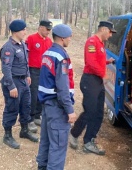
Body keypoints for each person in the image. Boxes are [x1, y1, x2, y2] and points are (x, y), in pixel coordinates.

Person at [69, 20, 116, 155]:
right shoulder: (92, 41)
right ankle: (74, 133)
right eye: (110, 32)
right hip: (90, 80)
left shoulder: (101, 43)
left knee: (99, 113)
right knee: (90, 111)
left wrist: (108, 62)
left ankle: (89, 140)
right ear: (103, 29)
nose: (111, 35)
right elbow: (91, 62)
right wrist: (104, 74)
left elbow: (98, 60)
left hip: (98, 81)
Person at [36, 24, 77, 170]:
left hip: (47, 105)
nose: (70, 39)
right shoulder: (61, 57)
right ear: (62, 38)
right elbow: (62, 87)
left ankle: (41, 167)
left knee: (46, 142)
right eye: (69, 37)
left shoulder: (48, 53)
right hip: (57, 108)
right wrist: (69, 110)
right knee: (58, 147)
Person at [0, 19, 39, 149]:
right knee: (12, 108)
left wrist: (27, 75)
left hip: (23, 81)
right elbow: (6, 68)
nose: (25, 32)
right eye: (23, 30)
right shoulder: (8, 47)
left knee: (25, 106)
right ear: (16, 31)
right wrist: (11, 86)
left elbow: (25, 62)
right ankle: (7, 135)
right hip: (14, 81)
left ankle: (24, 130)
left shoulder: (22, 44)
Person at [25, 20, 53, 133]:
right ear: (41, 27)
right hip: (33, 70)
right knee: (33, 94)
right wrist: (26, 72)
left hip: (45, 71)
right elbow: (25, 55)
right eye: (47, 29)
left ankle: (37, 115)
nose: (48, 32)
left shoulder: (49, 41)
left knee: (42, 93)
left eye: (50, 30)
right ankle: (30, 119)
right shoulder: (31, 39)